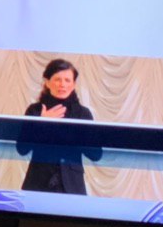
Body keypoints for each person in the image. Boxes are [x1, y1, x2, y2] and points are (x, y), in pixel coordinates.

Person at [17, 58, 101, 194]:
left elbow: (96, 154)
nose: (62, 85)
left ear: (73, 84)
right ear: (47, 82)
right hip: (37, 183)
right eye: (57, 79)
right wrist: (42, 123)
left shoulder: (82, 113)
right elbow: (22, 149)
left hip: (72, 186)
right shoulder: (35, 110)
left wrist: (77, 132)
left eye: (67, 80)